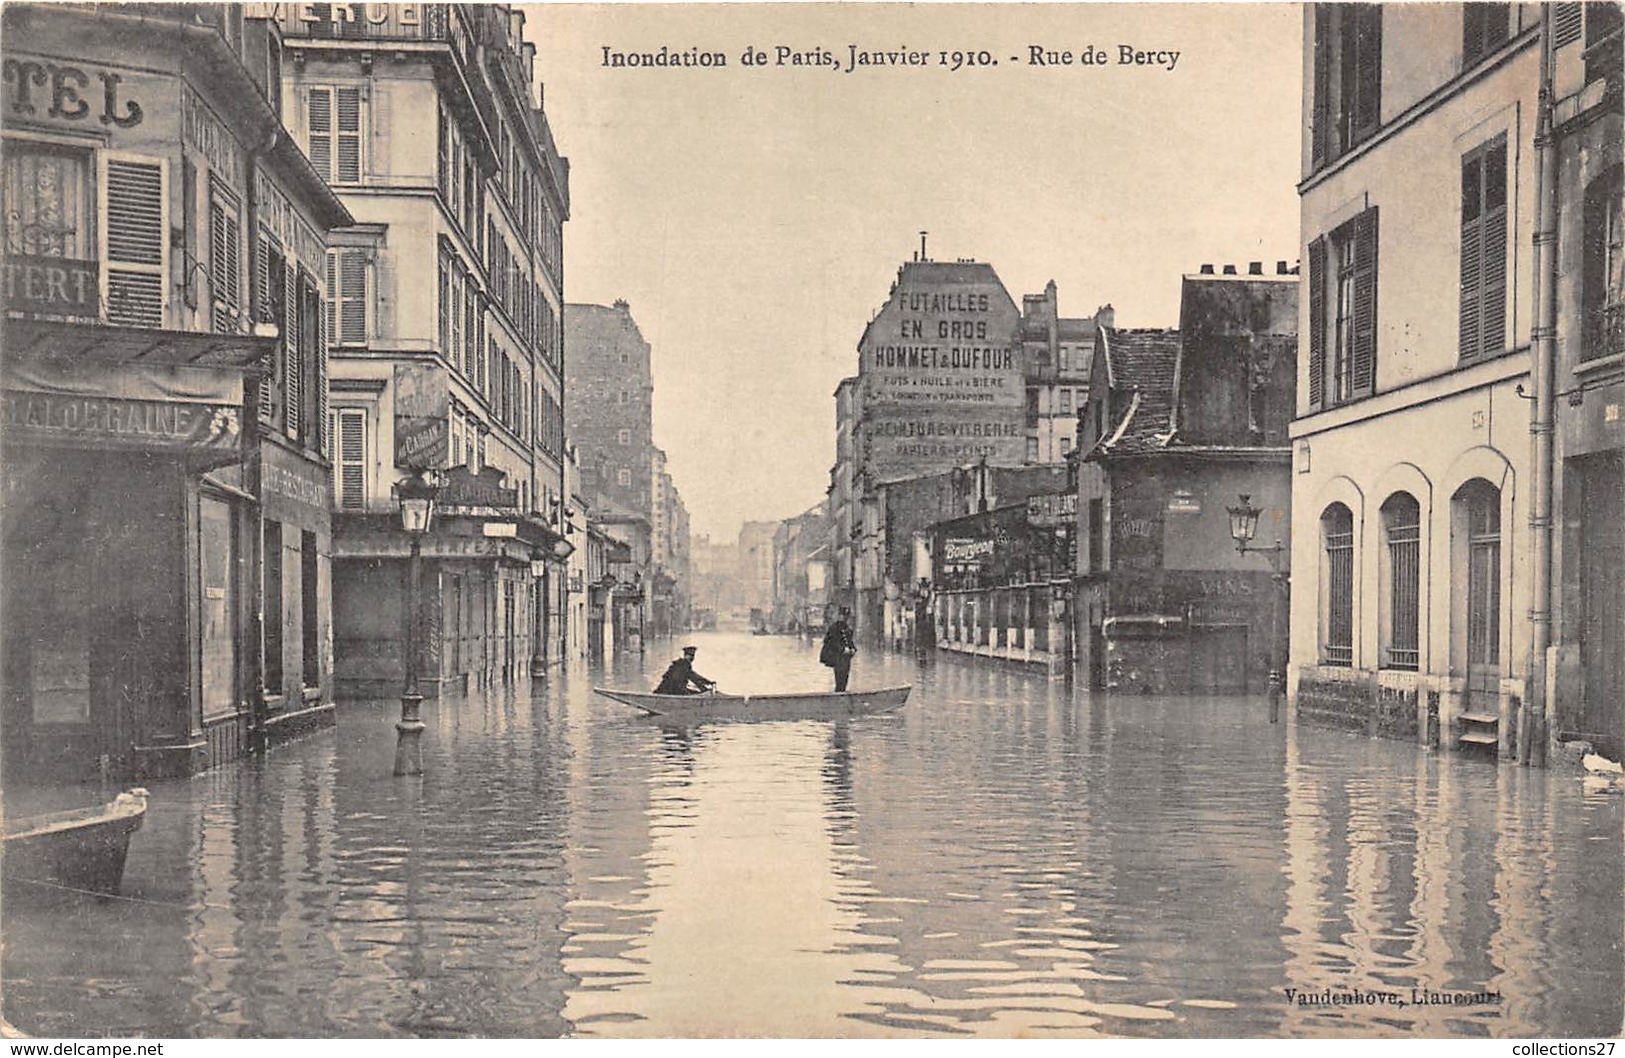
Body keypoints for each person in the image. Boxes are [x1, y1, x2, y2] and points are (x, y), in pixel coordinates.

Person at [820, 608, 857, 692]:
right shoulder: (834, 628)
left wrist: (853, 649)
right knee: (839, 676)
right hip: (838, 657)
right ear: (839, 616)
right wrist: (843, 649)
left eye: (846, 617)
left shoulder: (847, 628)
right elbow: (830, 642)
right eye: (842, 616)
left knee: (845, 675)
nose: (844, 618)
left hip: (846, 657)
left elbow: (850, 641)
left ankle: (842, 692)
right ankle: (839, 692)